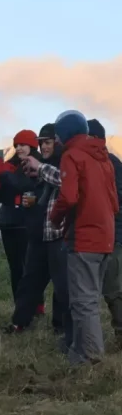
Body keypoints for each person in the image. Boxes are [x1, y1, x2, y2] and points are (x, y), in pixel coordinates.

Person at [48, 109, 118, 365]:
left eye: (57, 135)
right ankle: (79, 353)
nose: (56, 141)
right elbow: (114, 202)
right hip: (106, 236)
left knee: (83, 301)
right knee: (89, 298)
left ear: (66, 134)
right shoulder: (103, 158)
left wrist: (55, 218)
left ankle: (92, 359)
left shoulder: (72, 155)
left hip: (84, 237)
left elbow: (68, 197)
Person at [5, 124, 68, 336]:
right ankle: (20, 322)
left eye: (48, 142)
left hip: (59, 234)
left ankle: (60, 327)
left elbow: (66, 183)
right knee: (29, 280)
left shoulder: (63, 163)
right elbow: (32, 193)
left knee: (61, 285)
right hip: (38, 232)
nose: (44, 147)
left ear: (57, 143)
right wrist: (28, 200)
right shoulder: (38, 166)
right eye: (41, 143)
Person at [0, 129, 46, 312]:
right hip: (10, 223)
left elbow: (23, 185)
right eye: (17, 145)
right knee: (15, 268)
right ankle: (20, 307)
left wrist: (5, 177)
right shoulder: (11, 166)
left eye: (23, 145)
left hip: (29, 223)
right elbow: (1, 197)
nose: (19, 148)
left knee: (31, 267)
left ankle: (35, 305)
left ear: (32, 146)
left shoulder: (38, 166)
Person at [87, 119, 122, 350]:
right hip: (106, 233)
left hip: (113, 234)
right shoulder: (106, 162)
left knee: (112, 288)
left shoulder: (109, 164)